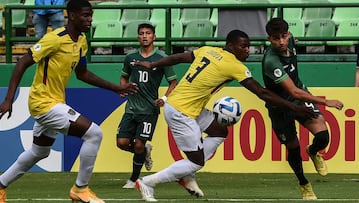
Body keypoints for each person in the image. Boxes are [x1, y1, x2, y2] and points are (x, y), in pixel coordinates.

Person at [132, 29, 319, 202]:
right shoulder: (234, 65)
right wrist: (294, 108)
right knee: (196, 162)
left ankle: (186, 173)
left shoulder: (208, 50)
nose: (248, 50)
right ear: (231, 46)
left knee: (220, 131)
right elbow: (262, 93)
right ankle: (148, 182)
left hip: (188, 107)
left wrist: (154, 64)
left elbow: (179, 57)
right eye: (243, 46)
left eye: (249, 46)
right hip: (181, 112)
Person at [0, 0, 138, 203]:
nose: (89, 19)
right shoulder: (54, 39)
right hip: (43, 103)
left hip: (55, 101)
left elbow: (82, 74)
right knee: (94, 134)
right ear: (71, 15)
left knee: (40, 152)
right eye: (85, 15)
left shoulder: (81, 41)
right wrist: (8, 99)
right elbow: (23, 62)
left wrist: (116, 87)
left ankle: (1, 185)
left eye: (90, 15)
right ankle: (80, 189)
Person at [261, 18, 344, 200]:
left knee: (323, 136)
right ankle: (304, 183)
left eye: (284, 36)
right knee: (293, 148)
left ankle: (313, 151)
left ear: (288, 34)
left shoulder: (290, 41)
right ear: (269, 39)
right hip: (280, 106)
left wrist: (293, 41)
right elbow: (294, 92)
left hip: (298, 97)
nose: (281, 42)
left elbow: (297, 92)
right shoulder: (271, 61)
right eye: (276, 39)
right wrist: (325, 101)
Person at [116, 23, 177, 189]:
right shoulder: (130, 58)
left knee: (138, 144)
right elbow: (124, 77)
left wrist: (164, 98)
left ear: (154, 37)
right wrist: (123, 88)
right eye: (141, 33)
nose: (144, 36)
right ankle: (145, 152)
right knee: (121, 143)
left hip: (149, 110)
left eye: (148, 33)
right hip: (131, 108)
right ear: (138, 37)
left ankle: (133, 179)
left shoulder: (161, 58)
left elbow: (173, 82)